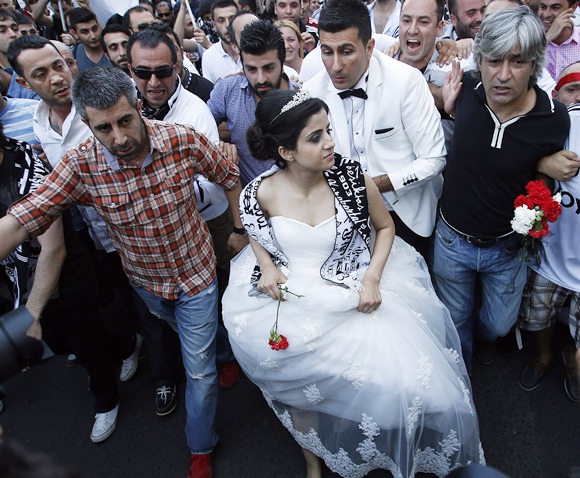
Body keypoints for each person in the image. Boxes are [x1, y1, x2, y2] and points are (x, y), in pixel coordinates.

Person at [222, 89, 484, 478]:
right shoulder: (258, 193)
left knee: (411, 388)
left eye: (328, 130)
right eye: (316, 137)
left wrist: (372, 279)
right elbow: (258, 236)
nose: (330, 142)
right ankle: (312, 456)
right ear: (286, 153)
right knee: (300, 390)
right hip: (295, 304)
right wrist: (267, 266)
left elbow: (385, 227)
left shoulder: (352, 179)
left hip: (357, 284)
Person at [0, 65, 243, 478]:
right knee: (195, 338)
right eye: (103, 128)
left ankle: (200, 447)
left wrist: (238, 229)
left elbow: (230, 175)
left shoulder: (181, 139)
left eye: (125, 121)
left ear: (138, 105)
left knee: (198, 371)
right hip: (146, 284)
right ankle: (224, 349)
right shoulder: (81, 164)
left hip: (197, 275)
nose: (119, 139)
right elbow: (26, 216)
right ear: (87, 124)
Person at [432, 6, 570, 372]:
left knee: (498, 324)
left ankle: (485, 338)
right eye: (494, 61)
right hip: (451, 241)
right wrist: (447, 109)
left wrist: (541, 165)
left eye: (518, 62)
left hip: (506, 250)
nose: (503, 75)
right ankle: (462, 382)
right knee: (455, 321)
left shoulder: (553, 119)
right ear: (480, 60)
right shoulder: (464, 90)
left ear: (535, 65)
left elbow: (545, 172)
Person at [303, 0, 446, 259]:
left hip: (406, 217)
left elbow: (434, 159)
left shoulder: (406, 81)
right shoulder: (311, 92)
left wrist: (372, 185)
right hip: (343, 220)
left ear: (369, 48)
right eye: (326, 51)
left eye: (346, 51)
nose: (335, 65)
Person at [516, 62, 580, 401]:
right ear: (556, 95)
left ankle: (573, 360)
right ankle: (545, 356)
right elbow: (511, 158)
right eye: (573, 89)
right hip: (551, 258)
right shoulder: (550, 128)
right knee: (537, 317)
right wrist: (541, 163)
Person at [208, 19, 300, 186]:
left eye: (269, 68)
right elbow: (200, 131)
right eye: (251, 69)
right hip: (249, 203)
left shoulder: (304, 99)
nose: (261, 79)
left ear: (282, 61)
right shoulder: (227, 91)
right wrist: (217, 144)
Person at [538, 0, 580, 81]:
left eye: (555, 8)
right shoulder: (528, 39)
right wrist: (547, 37)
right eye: (543, 7)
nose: (546, 14)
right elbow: (523, 61)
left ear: (573, 8)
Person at [201, 0, 239, 83]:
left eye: (232, 18)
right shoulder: (209, 57)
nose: (227, 25)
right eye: (221, 21)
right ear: (214, 25)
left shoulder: (253, 48)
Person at [67, 8, 111, 73]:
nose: (93, 36)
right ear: (74, 33)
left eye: (95, 29)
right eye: (85, 32)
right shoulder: (72, 55)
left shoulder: (116, 49)